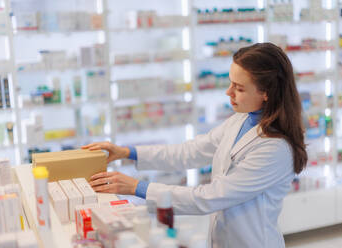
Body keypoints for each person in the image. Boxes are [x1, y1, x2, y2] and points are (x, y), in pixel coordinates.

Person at [82, 42, 307, 248]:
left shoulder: (275, 148)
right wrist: (127, 152)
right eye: (230, 83)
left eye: (239, 88)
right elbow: (189, 152)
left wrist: (137, 187)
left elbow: (209, 197)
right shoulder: (241, 120)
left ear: (266, 93)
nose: (228, 92)